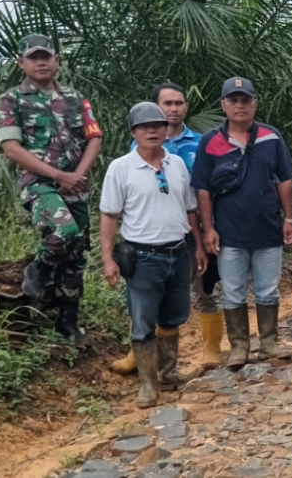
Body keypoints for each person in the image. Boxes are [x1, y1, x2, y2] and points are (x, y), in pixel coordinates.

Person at [111, 83, 224, 375]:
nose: (173, 108)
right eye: (167, 103)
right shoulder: (136, 148)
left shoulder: (200, 143)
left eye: (179, 103)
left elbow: (206, 188)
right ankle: (140, 355)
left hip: (192, 229)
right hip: (149, 239)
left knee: (204, 289)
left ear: (186, 107)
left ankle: (211, 347)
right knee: (145, 297)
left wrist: (206, 232)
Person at [0, 34, 102, 346]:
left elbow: (94, 137)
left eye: (46, 56)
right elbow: (12, 148)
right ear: (21, 63)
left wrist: (77, 175)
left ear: (56, 60)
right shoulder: (13, 99)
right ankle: (39, 267)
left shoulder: (75, 98)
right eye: (33, 57)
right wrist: (59, 175)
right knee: (62, 232)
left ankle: (67, 322)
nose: (40, 62)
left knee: (75, 258)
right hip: (40, 184)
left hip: (77, 185)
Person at [100, 102, 204, 408]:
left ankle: (168, 371)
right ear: (134, 132)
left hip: (178, 251)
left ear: (165, 129)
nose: (152, 131)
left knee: (173, 316)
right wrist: (107, 259)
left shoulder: (177, 165)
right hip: (143, 258)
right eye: (144, 127)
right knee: (143, 321)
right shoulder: (121, 168)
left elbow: (190, 209)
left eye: (157, 126)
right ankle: (147, 384)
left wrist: (197, 246)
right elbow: (109, 216)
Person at [191, 77, 292, 370]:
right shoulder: (210, 141)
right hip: (228, 233)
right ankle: (239, 347)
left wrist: (289, 218)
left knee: (268, 290)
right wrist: (209, 228)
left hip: (268, 229)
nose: (240, 105)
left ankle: (269, 342)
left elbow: (285, 179)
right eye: (233, 100)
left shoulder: (270, 137)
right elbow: (202, 188)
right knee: (234, 291)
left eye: (246, 100)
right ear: (223, 105)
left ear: (255, 103)